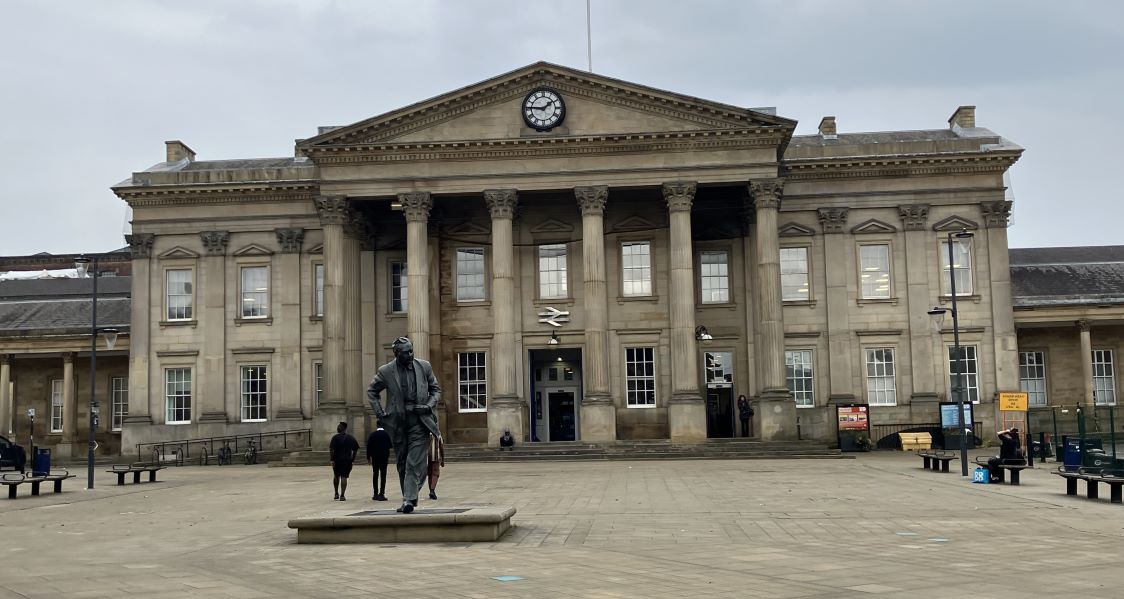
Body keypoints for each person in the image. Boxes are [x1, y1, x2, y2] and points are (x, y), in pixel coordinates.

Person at [366, 337, 442, 514]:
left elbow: (435, 390)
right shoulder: (386, 371)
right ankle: (407, 498)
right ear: (396, 353)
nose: (409, 354)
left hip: (420, 420)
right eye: (405, 352)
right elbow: (372, 391)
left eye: (411, 350)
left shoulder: (424, 366)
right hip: (397, 423)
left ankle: (409, 498)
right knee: (402, 463)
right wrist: (380, 413)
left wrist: (428, 405)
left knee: (412, 462)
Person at [328, 421, 359, 501]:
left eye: (339, 426)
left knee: (336, 476)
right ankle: (342, 495)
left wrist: (332, 459)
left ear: (343, 428)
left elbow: (331, 449)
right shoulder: (350, 438)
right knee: (344, 477)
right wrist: (352, 460)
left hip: (337, 460)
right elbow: (355, 449)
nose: (338, 428)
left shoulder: (335, 437)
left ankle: (336, 493)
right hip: (347, 460)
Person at [366, 420, 393, 501]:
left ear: (377, 425)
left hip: (375, 457)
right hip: (384, 457)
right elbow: (390, 446)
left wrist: (368, 457)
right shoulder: (386, 434)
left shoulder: (372, 435)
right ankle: (381, 493)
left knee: (375, 474)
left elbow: (368, 447)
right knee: (383, 475)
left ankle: (375, 493)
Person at [425, 434, 445, 500]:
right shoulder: (437, 434)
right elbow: (441, 447)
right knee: (435, 473)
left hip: (426, 457)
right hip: (436, 456)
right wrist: (443, 460)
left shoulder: (424, 433)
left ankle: (431, 490)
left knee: (430, 473)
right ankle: (432, 490)